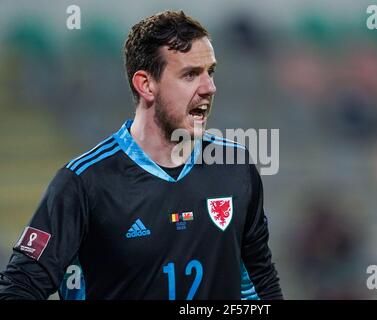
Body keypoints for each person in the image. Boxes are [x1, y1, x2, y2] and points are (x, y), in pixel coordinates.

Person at [0, 10, 283, 300]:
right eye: (190, 75)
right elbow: (19, 287)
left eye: (209, 72)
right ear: (146, 85)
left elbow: (260, 279)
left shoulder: (235, 166)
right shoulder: (84, 182)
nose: (209, 87)